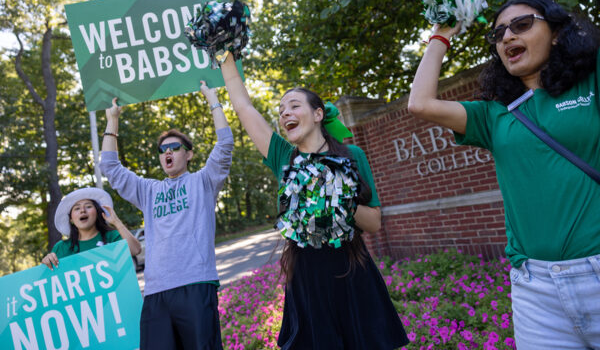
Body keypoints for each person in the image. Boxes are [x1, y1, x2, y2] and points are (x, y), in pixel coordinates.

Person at [409, 0, 600, 349]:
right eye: (498, 34)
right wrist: (442, 31)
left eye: (522, 25)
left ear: (556, 33)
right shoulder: (494, 115)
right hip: (536, 291)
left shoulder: (591, 84)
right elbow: (420, 103)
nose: (508, 37)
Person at [218, 55, 409, 349]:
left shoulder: (351, 155)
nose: (285, 113)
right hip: (306, 282)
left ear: (318, 114)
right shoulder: (284, 157)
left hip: (352, 273)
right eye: (281, 110)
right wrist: (225, 55)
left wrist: (335, 194)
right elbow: (244, 108)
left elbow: (373, 222)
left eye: (294, 106)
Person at [99, 82, 233, 350]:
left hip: (196, 284)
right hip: (156, 292)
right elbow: (110, 166)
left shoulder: (203, 182)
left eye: (174, 147)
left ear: (189, 154)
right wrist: (112, 121)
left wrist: (213, 99)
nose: (167, 152)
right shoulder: (148, 190)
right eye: (162, 149)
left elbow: (225, 143)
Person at [42, 187, 142, 270]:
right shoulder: (61, 248)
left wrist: (116, 221)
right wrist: (46, 263)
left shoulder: (112, 237)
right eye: (77, 208)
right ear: (71, 219)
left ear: (97, 213)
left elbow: (135, 250)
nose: (82, 210)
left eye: (88, 206)